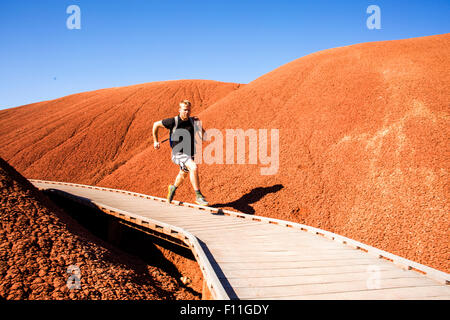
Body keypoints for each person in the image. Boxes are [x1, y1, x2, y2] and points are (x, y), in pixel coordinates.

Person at [152, 100, 209, 206]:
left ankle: (173, 188)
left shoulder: (193, 121)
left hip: (190, 153)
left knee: (183, 174)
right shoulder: (172, 121)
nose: (186, 112)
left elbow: (204, 135)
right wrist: (155, 141)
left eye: (188, 110)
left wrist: (199, 126)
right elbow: (155, 125)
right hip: (178, 154)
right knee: (194, 167)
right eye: (184, 110)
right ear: (179, 110)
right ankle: (198, 195)